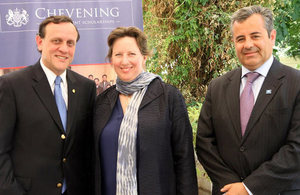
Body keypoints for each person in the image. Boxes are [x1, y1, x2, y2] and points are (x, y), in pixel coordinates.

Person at [196, 5, 300, 195]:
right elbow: (204, 142)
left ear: (272, 36)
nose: (248, 44)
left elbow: (296, 148)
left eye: (255, 36)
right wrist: (231, 186)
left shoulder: (296, 83)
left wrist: (248, 188)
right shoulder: (217, 86)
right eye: (240, 38)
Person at [93, 26, 198, 195]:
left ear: (144, 57)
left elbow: (184, 159)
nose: (124, 61)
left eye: (131, 54)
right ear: (111, 59)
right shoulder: (102, 102)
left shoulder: (168, 97)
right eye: (118, 54)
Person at [0, 16, 96, 195]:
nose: (64, 49)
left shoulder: (86, 88)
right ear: (39, 42)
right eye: (56, 41)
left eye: (70, 43)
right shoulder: (11, 85)